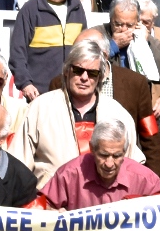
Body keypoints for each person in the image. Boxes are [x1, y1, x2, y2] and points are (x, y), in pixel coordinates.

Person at [11, 41, 143, 187]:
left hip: (104, 204)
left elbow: (134, 168)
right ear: (67, 70)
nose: (84, 78)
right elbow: (17, 165)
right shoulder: (40, 108)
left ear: (99, 77)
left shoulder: (118, 113)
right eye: (78, 70)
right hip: (51, 204)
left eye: (92, 73)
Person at [9, 0, 88, 100]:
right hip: (41, 94)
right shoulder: (30, 10)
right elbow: (17, 53)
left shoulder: (77, 6)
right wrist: (26, 84)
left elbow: (84, 48)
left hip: (74, 92)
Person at [39, 122, 160, 209]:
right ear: (92, 149)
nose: (109, 164)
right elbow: (40, 207)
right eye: (103, 155)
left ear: (125, 152)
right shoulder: (69, 174)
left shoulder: (146, 180)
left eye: (116, 156)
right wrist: (54, 213)